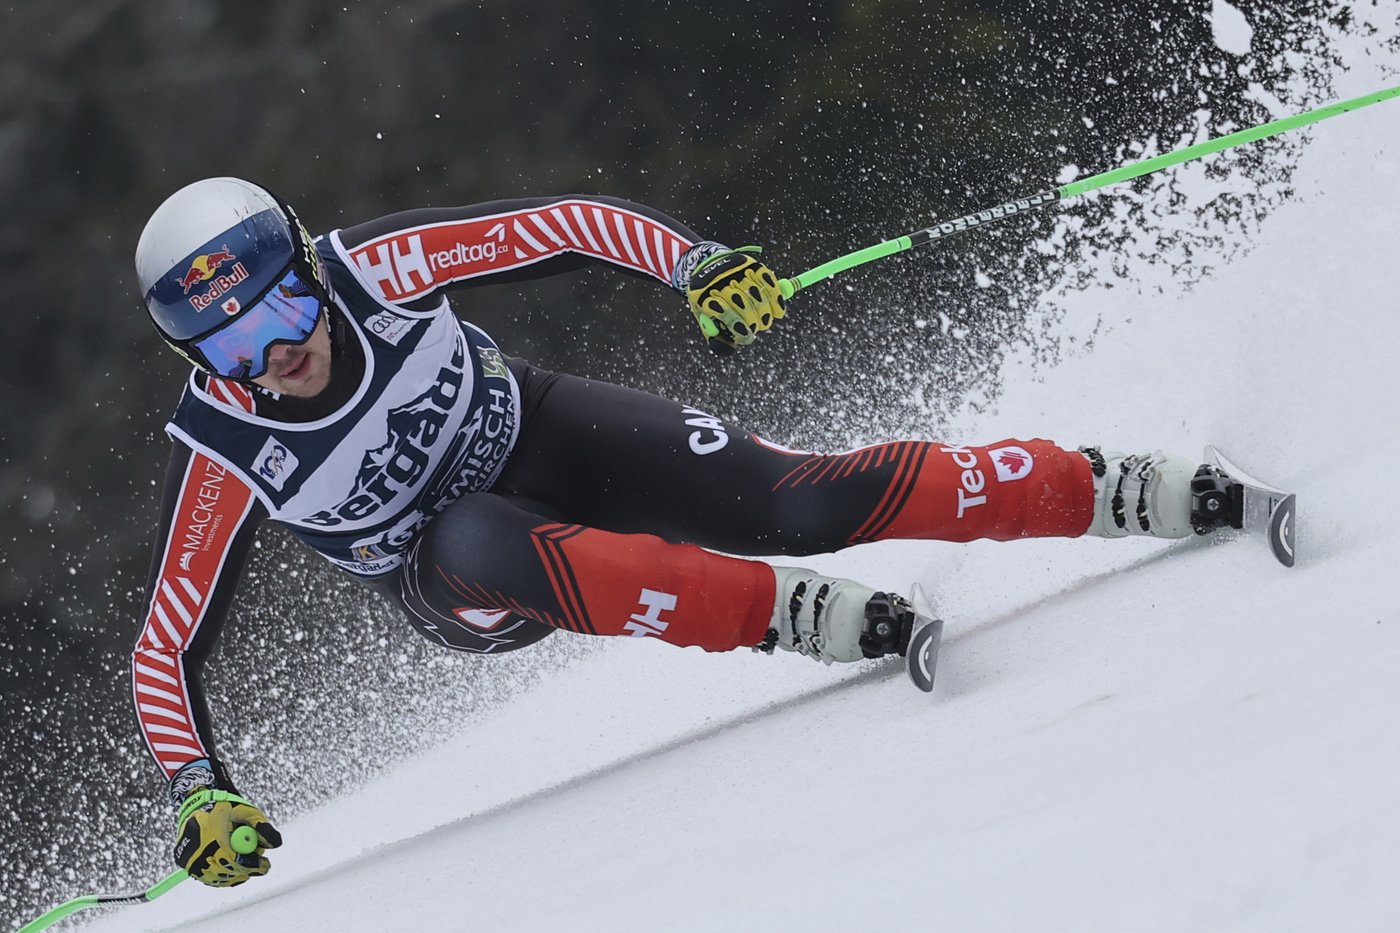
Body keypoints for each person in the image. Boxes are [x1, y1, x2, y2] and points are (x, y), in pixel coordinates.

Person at [131, 178, 1232, 887]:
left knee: (795, 500)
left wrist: (691, 264)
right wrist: (200, 788)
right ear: (199, 368)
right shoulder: (228, 449)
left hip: (547, 431)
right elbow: (166, 643)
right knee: (472, 532)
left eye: (278, 310)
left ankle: (1101, 486)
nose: (273, 356)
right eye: (230, 350)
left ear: (308, 274)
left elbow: (554, 226)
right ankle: (788, 618)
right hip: (456, 576)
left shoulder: (373, 268)